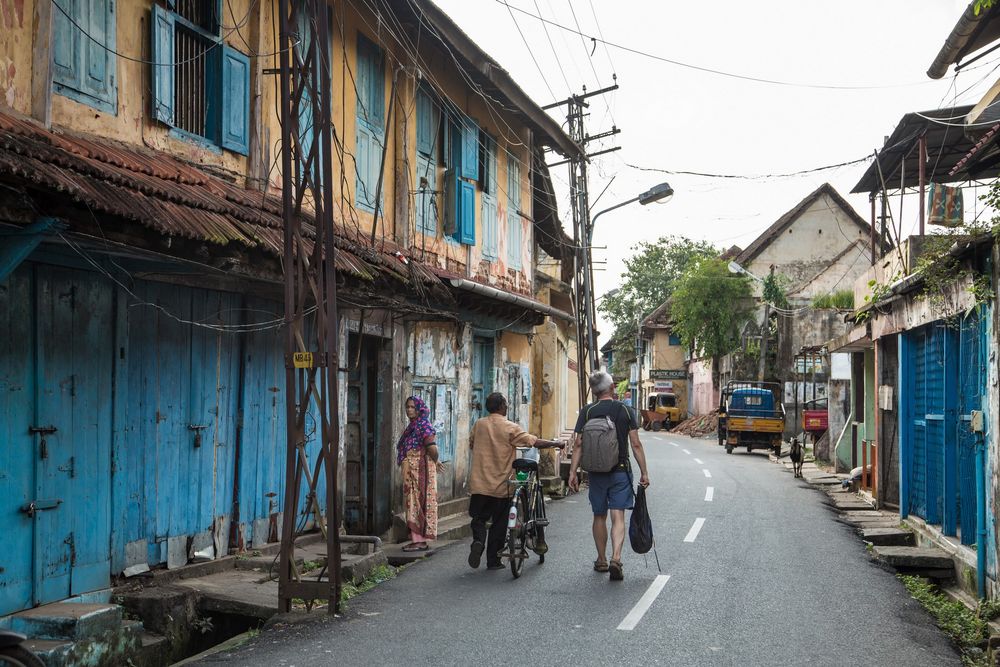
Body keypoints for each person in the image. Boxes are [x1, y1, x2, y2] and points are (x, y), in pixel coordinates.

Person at [568, 370, 650, 582]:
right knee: (618, 516)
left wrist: (573, 472)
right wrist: (644, 472)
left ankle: (601, 559)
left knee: (599, 515)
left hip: (595, 473)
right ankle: (616, 558)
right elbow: (636, 444)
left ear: (595, 392)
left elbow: (578, 444)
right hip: (620, 470)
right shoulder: (624, 409)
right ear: (612, 388)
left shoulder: (587, 411)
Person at [467, 392, 564, 570]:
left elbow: (472, 443)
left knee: (479, 519)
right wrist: (555, 444)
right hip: (501, 485)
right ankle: (493, 561)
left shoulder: (479, 424)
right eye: (505, 404)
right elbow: (533, 442)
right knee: (498, 523)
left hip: (479, 484)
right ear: (502, 406)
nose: (507, 407)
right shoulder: (510, 427)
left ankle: (478, 542)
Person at [397, 396, 445, 551]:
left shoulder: (423, 425)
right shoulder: (413, 425)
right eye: (407, 407)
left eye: (412, 407)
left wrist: (434, 459)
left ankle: (419, 541)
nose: (409, 410)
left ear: (419, 409)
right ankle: (418, 539)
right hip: (412, 471)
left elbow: (432, 448)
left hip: (420, 471)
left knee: (418, 502)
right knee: (412, 503)